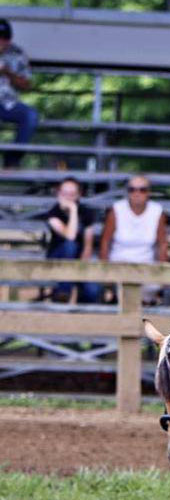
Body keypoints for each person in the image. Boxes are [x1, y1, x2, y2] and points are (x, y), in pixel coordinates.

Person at [99, 175, 169, 303]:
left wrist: (162, 271)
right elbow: (105, 241)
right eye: (132, 189)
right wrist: (105, 269)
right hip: (118, 264)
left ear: (148, 192)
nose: (137, 193)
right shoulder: (116, 210)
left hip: (146, 265)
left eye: (142, 189)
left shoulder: (157, 211)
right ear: (127, 192)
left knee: (152, 286)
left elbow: (162, 244)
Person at [45, 177, 101, 303]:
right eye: (64, 193)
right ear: (58, 194)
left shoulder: (86, 213)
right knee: (70, 246)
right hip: (56, 261)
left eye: (72, 194)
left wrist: (81, 268)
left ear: (79, 195)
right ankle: (64, 292)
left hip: (79, 260)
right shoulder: (53, 214)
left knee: (93, 290)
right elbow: (70, 236)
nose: (67, 197)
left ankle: (82, 316)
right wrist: (74, 210)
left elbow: (88, 244)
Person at [0, 19, 38, 169]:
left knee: (30, 115)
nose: (1, 42)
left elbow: (27, 85)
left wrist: (7, 72)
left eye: (4, 38)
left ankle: (12, 158)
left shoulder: (18, 53)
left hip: (8, 104)